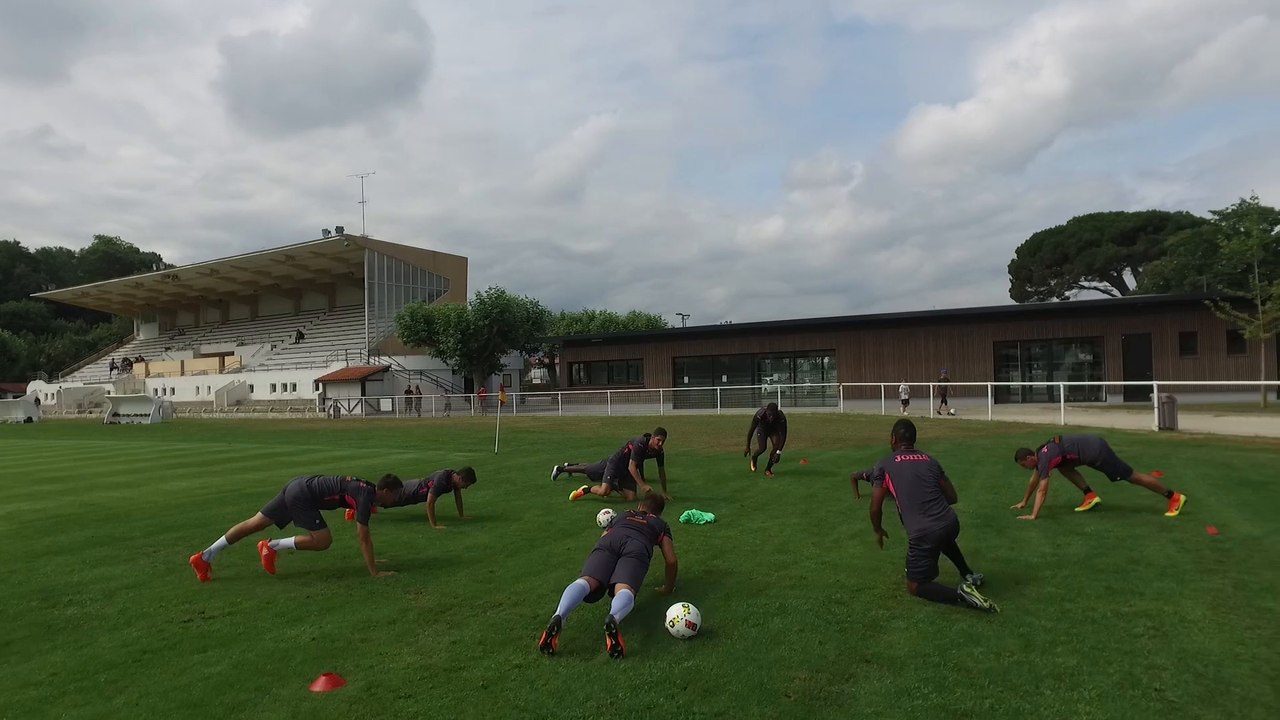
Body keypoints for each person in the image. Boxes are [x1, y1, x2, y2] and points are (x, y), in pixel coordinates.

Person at [856, 419, 998, 613]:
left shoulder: (884, 464)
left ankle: (963, 594)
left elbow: (875, 506)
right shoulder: (930, 460)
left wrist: (878, 529)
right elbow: (952, 497)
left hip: (924, 532)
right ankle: (968, 574)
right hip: (950, 522)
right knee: (943, 538)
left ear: (893, 439)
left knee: (915, 585)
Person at [537, 493, 678, 659]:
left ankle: (559, 615)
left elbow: (603, 537)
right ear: (659, 512)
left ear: (640, 506)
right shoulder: (660, 524)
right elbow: (671, 560)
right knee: (625, 588)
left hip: (609, 541)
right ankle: (613, 618)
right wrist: (668, 587)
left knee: (587, 580)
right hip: (637, 546)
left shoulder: (624, 514)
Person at [187, 474, 403, 582]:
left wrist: (373, 560)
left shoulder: (365, 489)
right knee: (323, 540)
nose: (395, 500)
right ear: (384, 490)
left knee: (255, 523)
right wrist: (375, 571)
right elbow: (363, 537)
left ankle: (204, 557)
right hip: (303, 495)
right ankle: (271, 546)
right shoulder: (365, 496)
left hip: (298, 484)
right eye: (395, 495)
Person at [1011, 434, 1187, 519]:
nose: (1024, 468)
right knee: (1064, 467)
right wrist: (1024, 501)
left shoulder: (1044, 459)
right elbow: (1034, 480)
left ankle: (1174, 497)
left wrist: (1034, 515)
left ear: (1029, 458)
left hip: (1097, 453)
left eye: (1023, 465)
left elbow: (1042, 490)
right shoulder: (1041, 453)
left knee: (1133, 477)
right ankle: (1090, 495)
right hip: (1092, 446)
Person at [569, 428, 671, 502]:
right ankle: (586, 490)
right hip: (616, 463)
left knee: (631, 498)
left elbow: (661, 471)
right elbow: (632, 466)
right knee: (603, 491)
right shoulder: (640, 443)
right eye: (658, 440)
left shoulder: (659, 451)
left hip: (627, 470)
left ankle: (613, 484)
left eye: (663, 441)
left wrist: (664, 491)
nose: (660, 443)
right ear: (652, 438)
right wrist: (642, 485)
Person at [373, 467, 477, 529]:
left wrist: (461, 516)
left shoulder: (453, 478)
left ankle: (368, 503)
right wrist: (434, 525)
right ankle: (361, 501)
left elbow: (458, 497)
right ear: (459, 478)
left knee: (385, 498)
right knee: (387, 499)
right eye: (466, 485)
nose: (466, 488)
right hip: (412, 491)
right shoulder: (442, 480)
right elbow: (430, 503)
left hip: (415, 488)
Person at [744, 402, 788, 476]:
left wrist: (778, 452)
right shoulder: (759, 415)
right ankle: (754, 457)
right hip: (762, 430)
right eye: (769, 415)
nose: (771, 417)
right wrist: (748, 446)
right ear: (766, 411)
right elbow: (751, 430)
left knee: (776, 447)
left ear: (776, 413)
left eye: (773, 415)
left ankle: (768, 469)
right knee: (762, 448)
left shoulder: (781, 418)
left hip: (773, 431)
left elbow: (783, 435)